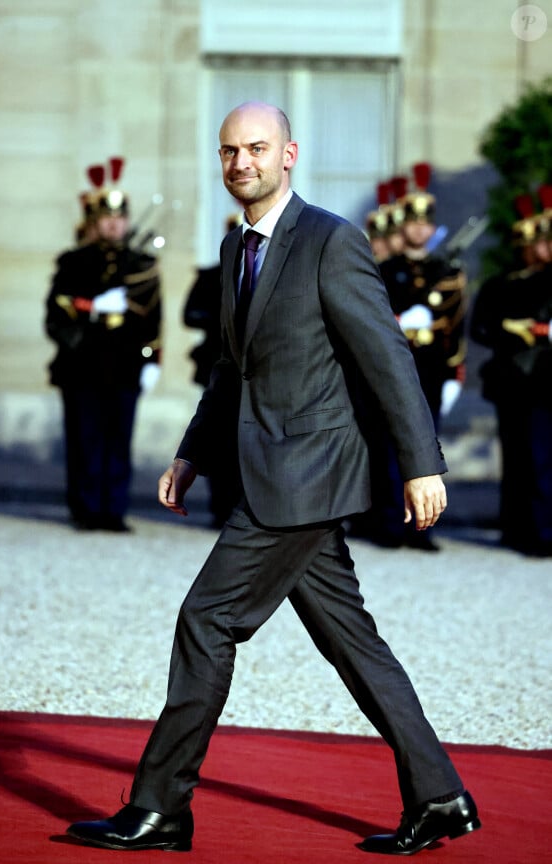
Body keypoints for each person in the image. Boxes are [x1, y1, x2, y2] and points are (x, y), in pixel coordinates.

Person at [67, 102, 480, 855]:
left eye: (256, 148)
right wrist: (191, 453)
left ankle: (161, 807)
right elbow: (232, 367)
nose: (241, 163)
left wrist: (422, 464)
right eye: (229, 152)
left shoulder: (332, 240)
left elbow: (388, 356)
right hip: (271, 473)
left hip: (308, 476)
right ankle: (440, 794)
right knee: (355, 644)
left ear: (289, 154)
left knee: (207, 618)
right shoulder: (236, 251)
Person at [45, 158, 163, 532]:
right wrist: (94, 308)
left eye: (120, 217)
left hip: (125, 365)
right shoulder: (74, 262)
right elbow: (57, 313)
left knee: (118, 440)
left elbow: (153, 318)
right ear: (94, 222)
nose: (114, 224)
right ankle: (85, 508)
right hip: (82, 365)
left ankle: (113, 510)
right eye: (106, 218)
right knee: (85, 440)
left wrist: (152, 360)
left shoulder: (141, 263)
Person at [370, 164, 467, 551]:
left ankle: (423, 528)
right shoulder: (385, 270)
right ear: (403, 226)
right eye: (414, 222)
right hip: (396, 370)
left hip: (430, 369)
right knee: (395, 447)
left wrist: (454, 374)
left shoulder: (446, 271)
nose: (420, 229)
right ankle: (393, 523)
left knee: (430, 452)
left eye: (427, 224)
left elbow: (455, 328)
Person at [470, 188, 552, 556]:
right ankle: (517, 527)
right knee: (517, 458)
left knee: (541, 459)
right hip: (512, 382)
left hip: (545, 382)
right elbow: (481, 329)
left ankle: (542, 531)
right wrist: (510, 329)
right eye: (541, 242)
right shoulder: (500, 285)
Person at [183, 214, 243, 526]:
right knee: (217, 441)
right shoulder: (211, 276)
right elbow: (190, 314)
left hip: (253, 370)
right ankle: (221, 507)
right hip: (216, 368)